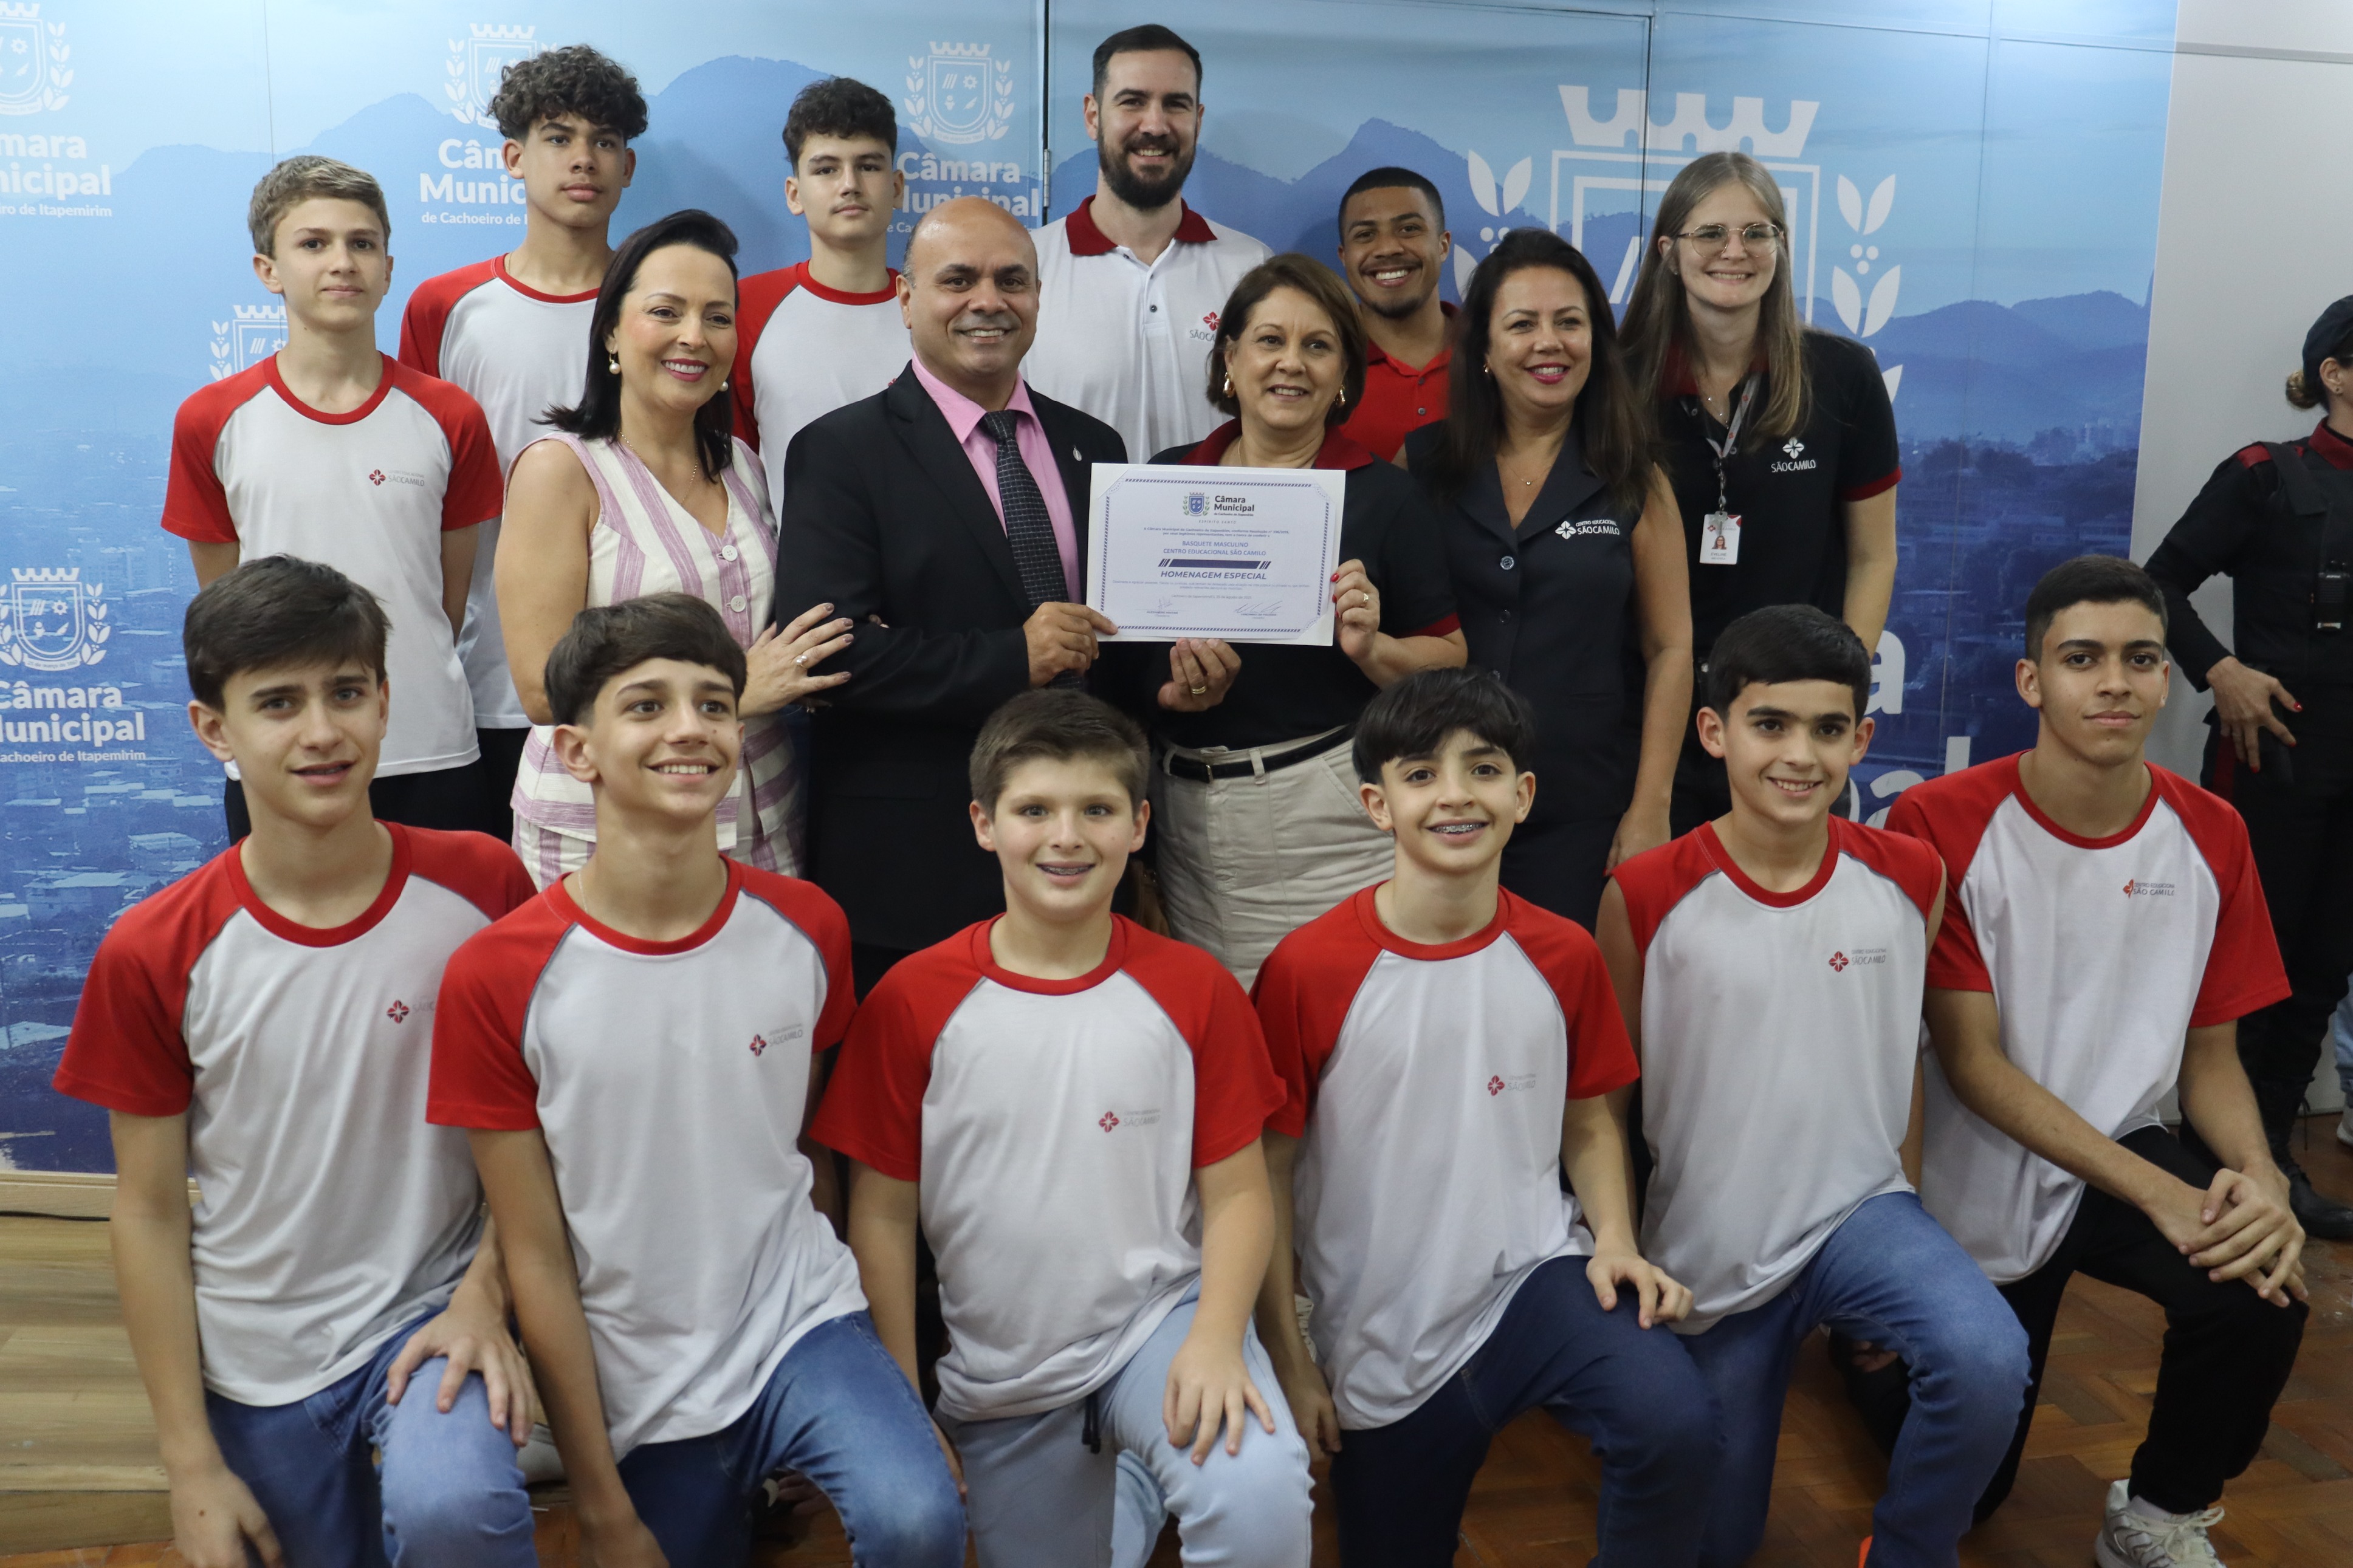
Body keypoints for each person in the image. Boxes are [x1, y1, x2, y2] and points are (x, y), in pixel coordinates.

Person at [428, 594, 966, 1566]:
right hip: (635, 1360)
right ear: (576, 750)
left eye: (714, 704)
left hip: (800, 1319)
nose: (690, 729)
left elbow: (808, 1152)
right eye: (647, 705)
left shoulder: (809, 925)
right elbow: (534, 1252)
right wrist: (600, 1505)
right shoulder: (497, 973)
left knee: (918, 1517)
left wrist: (883, 1384)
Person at [53, 556, 541, 1567]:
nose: (322, 731)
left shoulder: (485, 884)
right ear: (214, 730)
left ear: (385, 702)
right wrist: (189, 1465)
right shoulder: (154, 949)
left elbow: (540, 1127)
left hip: (432, 1320)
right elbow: (147, 1212)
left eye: (346, 693)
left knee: (457, 1511)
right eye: (278, 703)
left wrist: (486, 1293)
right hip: (259, 1361)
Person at [1868, 556, 2307, 1568]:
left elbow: (2210, 1059)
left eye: (2140, 659)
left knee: (2263, 1279)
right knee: (1971, 1496)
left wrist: (2262, 1178)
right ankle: (1868, 1345)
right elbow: (1972, 1066)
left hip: (2121, 1150)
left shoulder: (2212, 832)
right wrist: (2163, 1195)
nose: (2114, 682)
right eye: (2082, 659)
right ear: (2032, 680)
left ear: (2166, 678)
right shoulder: (1938, 822)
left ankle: (2157, 1513)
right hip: (1975, 1166)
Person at [814, 690, 1312, 1566]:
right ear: (984, 823)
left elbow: (1238, 1194)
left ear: (1140, 823)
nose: (1066, 837)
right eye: (1035, 810)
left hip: (1161, 1321)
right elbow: (882, 1219)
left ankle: (1153, 1453)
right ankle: (1131, 1485)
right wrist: (902, 1402)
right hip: (1008, 1375)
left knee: (1259, 1491)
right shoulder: (911, 1001)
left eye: (1097, 810)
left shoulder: (1195, 988)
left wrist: (1216, 1339)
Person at [1252, 668, 1720, 1566]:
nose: (1455, 795)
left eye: (1483, 768)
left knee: (1675, 1422)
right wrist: (1291, 1356)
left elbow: (1589, 1121)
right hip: (1383, 1338)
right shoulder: (1306, 969)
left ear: (1522, 794)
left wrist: (1615, 1239)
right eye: (1420, 774)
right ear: (1377, 805)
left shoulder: (1564, 952)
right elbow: (1267, 1169)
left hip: (1533, 1282)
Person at [1597, 604, 2030, 1568]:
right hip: (1711, 1245)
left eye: (1829, 729)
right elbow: (1607, 1105)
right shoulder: (1646, 893)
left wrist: (1909, 1215)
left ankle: (1909, 1553)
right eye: (1771, 724)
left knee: (1988, 1358)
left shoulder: (1913, 876)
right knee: (1713, 1544)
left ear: (1861, 741)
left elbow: (1897, 1055)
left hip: (1862, 1216)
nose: (1800, 755)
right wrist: (1621, 1245)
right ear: (1715, 732)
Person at [774, 197, 1154, 996]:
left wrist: (1170, 685)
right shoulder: (841, 451)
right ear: (906, 298)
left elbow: (1110, 638)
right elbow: (829, 655)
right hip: (913, 861)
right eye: (958, 280)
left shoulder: (1095, 446)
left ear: (1038, 297)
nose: (988, 301)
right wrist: (1013, 657)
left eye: (1012, 280)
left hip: (1077, 856)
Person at [1104, 252, 1465, 987]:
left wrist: (1372, 648)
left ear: (1343, 376)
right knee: (1218, 1031)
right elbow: (1118, 666)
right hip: (1182, 820)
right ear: (1229, 358)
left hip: (1324, 817)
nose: (1290, 363)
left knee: (1337, 1023)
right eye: (1269, 340)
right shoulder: (1160, 483)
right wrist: (1168, 696)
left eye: (1317, 345)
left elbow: (1448, 660)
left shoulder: (1384, 498)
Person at [496, 209, 851, 888]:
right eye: (666, 312)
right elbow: (544, 690)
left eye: (718, 317)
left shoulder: (742, 464)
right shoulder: (560, 471)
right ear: (610, 330)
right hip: (609, 831)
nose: (694, 336)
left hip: (764, 813)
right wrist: (737, 689)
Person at [165, 156, 503, 841]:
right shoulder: (211, 419)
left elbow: (445, 599)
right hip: (280, 758)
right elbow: (227, 610)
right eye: (314, 244)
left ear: (388, 267)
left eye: (362, 243)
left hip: (429, 747)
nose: (342, 262)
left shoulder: (451, 416)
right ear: (268, 270)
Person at [2141, 294, 2353, 1241]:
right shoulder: (2265, 473)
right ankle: (2221, 1158)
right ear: (2334, 374)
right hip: (2274, 754)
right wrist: (2219, 671)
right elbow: (2157, 582)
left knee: (2325, 966)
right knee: (2251, 967)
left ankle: (2271, 1161)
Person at [1406, 230, 1692, 928]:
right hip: (1437, 801)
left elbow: (1670, 649)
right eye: (1521, 324)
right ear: (1482, 349)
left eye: (1569, 322)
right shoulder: (1421, 464)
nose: (1548, 343)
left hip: (1580, 809)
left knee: (1563, 988)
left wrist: (1649, 807)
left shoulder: (1635, 477)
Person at [398, 46, 647, 844]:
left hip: (641, 675)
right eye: (558, 137)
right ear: (513, 158)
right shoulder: (446, 307)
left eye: (604, 141)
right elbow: (417, 487)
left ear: (628, 166)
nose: (583, 159)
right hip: (487, 681)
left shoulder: (662, 306)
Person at [1618, 152, 1901, 835]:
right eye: (1710, 233)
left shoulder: (1842, 376)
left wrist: (1838, 685)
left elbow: (1873, 556)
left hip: (1788, 723)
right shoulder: (1618, 384)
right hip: (1646, 718)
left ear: (1781, 245)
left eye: (1756, 232)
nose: (1734, 251)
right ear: (1667, 252)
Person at [1026, 24, 1270, 461]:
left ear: (1197, 120)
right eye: (1132, 102)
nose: (1155, 125)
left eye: (1175, 104)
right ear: (1093, 116)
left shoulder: (1253, 269)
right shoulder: (1026, 266)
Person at [731, 75, 912, 505]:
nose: (850, 184)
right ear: (794, 194)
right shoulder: (743, 308)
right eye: (827, 169)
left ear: (897, 188)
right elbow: (730, 469)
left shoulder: (936, 311)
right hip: (788, 550)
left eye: (869, 166)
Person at [1333, 167, 1455, 462]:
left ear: (1443, 246)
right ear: (1344, 257)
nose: (1387, 248)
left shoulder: (1496, 353)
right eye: (1365, 235)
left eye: (1409, 229)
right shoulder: (1317, 364)